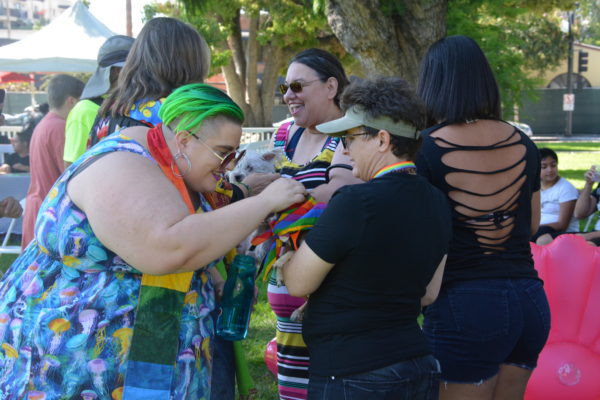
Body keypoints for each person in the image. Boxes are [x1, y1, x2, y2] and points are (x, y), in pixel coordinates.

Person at [0, 83, 307, 399]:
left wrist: (213, 277)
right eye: (224, 152)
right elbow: (167, 246)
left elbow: (185, 227)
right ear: (185, 139)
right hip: (79, 362)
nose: (228, 166)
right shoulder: (122, 165)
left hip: (149, 350)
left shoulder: (171, 160)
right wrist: (265, 202)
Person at [283, 76, 452, 400]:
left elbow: (298, 284)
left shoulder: (354, 202)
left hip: (353, 372)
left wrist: (291, 254)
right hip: (416, 364)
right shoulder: (438, 202)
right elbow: (429, 293)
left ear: (382, 140)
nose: (344, 149)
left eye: (350, 138)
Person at [416, 35, 550, 400]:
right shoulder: (524, 144)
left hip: (466, 303)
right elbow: (532, 227)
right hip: (529, 299)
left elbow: (420, 236)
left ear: (432, 82)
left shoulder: (425, 146)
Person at [268, 48, 362, 400]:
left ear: (331, 86)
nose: (288, 95)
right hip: (285, 287)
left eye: (297, 85)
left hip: (331, 287)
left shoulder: (349, 134)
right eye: (284, 87)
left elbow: (339, 191)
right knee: (293, 390)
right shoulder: (284, 136)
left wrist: (277, 196)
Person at [21, 74, 84, 248]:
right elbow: (69, 173)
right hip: (50, 212)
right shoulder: (60, 127)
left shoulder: (45, 123)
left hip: (38, 205)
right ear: (72, 101)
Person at [63, 35, 134, 168]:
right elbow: (71, 166)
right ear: (118, 71)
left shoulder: (137, 108)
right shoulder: (83, 110)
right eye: (135, 68)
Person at [531, 148, 580, 245]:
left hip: (560, 233)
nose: (550, 170)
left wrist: (535, 227)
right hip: (539, 229)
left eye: (553, 165)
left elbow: (562, 225)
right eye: (544, 167)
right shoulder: (534, 188)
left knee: (532, 234)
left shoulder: (566, 188)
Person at [573, 165, 600, 246]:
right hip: (595, 233)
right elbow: (580, 214)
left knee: (585, 247)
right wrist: (589, 184)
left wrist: (588, 236)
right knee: (545, 239)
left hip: (595, 235)